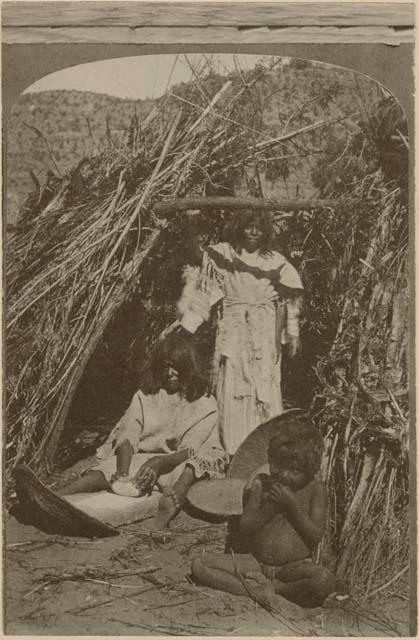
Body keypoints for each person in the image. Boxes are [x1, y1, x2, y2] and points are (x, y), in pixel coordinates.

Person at [51, 334, 227, 529]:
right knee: (102, 472)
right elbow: (127, 435)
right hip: (143, 459)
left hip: (177, 460)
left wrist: (160, 462)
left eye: (176, 366)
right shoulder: (145, 396)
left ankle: (169, 504)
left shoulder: (203, 403)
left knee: (189, 472)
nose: (169, 373)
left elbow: (190, 449)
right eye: (164, 366)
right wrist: (123, 473)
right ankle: (55, 497)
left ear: (188, 366)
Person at [176, 208, 304, 456]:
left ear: (265, 231)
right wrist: (188, 326)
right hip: (233, 330)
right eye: (248, 226)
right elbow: (207, 292)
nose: (253, 231)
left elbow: (291, 299)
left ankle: (263, 449)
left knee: (262, 384)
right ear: (240, 228)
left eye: (258, 227)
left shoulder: (274, 261)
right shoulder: (226, 256)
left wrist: (292, 333)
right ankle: (232, 449)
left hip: (263, 333)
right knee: (234, 383)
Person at [191, 416, 336, 608]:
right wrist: (268, 509)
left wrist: (292, 505)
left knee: (324, 580)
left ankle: (276, 589)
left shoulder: (316, 489)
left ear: (310, 470)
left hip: (291, 568)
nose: (284, 474)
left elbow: (315, 534)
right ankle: (258, 592)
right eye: (278, 466)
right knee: (199, 565)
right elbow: (245, 528)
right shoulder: (261, 483)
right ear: (270, 460)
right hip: (255, 563)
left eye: (294, 470)